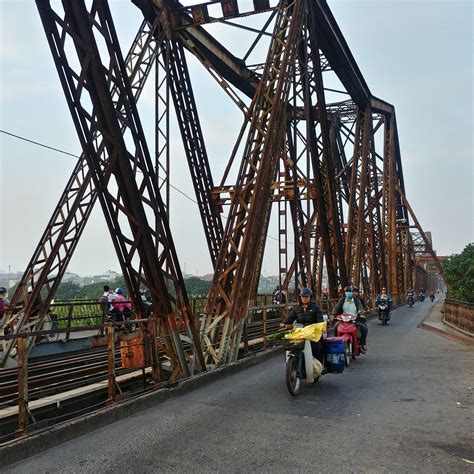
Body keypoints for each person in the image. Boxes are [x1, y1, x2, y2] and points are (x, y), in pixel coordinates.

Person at [279, 287, 325, 363]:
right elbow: (290, 317)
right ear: (300, 297)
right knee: (290, 344)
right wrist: (284, 323)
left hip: (312, 332)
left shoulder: (316, 308)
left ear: (310, 297)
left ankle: (318, 364)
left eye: (306, 296)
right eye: (302, 296)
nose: (304, 298)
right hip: (300, 331)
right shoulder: (297, 309)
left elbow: (320, 321)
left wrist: (319, 326)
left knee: (316, 347)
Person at [332, 285, 368, 352]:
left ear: (352, 292)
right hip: (343, 320)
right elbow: (336, 308)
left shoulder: (357, 301)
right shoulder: (342, 300)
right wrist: (333, 315)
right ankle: (336, 343)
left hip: (354, 320)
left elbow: (361, 308)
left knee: (364, 328)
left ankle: (361, 345)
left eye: (350, 291)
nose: (348, 293)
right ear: (345, 292)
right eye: (347, 291)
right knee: (335, 328)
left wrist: (362, 314)